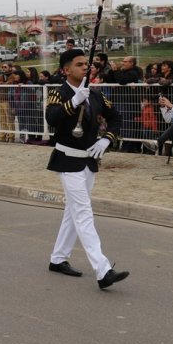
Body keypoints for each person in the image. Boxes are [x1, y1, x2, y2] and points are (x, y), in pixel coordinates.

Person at [45, 49, 129, 290]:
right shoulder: (57, 92)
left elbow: (116, 117)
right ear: (66, 70)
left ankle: (58, 258)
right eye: (79, 64)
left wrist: (106, 140)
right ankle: (103, 270)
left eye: (87, 64)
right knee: (83, 212)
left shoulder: (95, 95)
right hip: (68, 161)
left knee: (73, 212)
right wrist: (73, 101)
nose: (86, 68)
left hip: (88, 161)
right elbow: (52, 118)